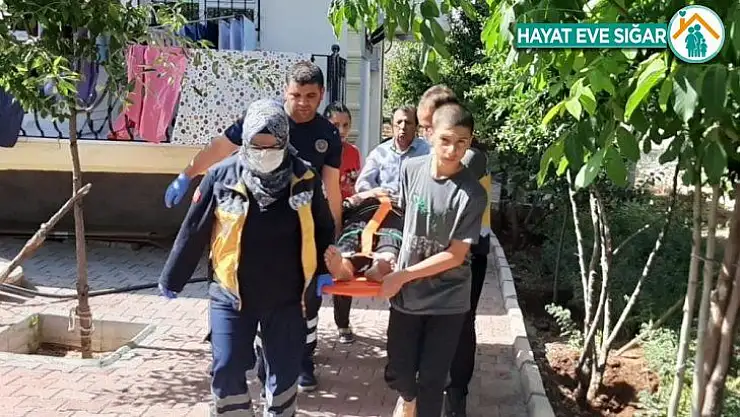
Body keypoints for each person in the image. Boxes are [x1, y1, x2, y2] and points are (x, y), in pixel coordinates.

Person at [163, 61, 342, 392]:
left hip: (296, 232)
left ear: (321, 95)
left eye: (310, 96)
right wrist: (187, 174)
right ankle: (254, 359)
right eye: (296, 95)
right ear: (285, 92)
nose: (302, 103)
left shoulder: (327, 134)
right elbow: (220, 147)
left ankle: (302, 362)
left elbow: (330, 192)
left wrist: (330, 249)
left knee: (304, 307)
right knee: (245, 302)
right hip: (250, 220)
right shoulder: (260, 117)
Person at [380, 102, 487, 417]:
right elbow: (400, 221)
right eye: (445, 140)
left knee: (432, 380)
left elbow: (456, 254)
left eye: (462, 142)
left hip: (448, 301)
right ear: (428, 134)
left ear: (470, 141)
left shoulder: (472, 193)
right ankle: (407, 399)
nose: (453, 150)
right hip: (407, 298)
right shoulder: (411, 169)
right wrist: (386, 257)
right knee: (399, 371)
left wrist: (402, 275)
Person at [416, 85, 492, 417]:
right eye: (425, 128)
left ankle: (456, 395)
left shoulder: (470, 157)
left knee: (460, 324)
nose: (426, 134)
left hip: (467, 253)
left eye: (427, 125)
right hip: (434, 248)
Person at [324, 101, 361, 344]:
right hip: (321, 215)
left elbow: (355, 185)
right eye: (335, 124)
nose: (341, 130)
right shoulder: (318, 150)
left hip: (347, 216)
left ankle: (343, 322)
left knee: (343, 264)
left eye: (346, 125)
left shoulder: (353, 152)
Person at [354, 105, 429, 195]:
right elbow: (362, 183)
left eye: (408, 123)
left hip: (416, 201)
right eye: (399, 122)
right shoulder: (379, 153)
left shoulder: (427, 152)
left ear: (416, 127)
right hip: (385, 201)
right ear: (392, 126)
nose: (403, 127)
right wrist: (375, 193)